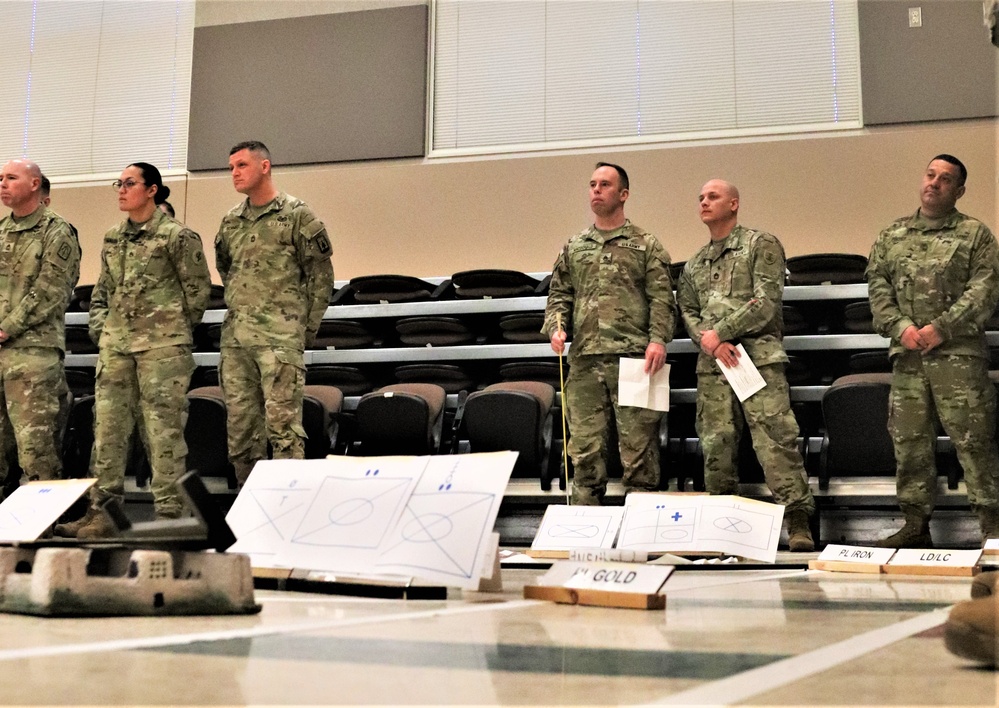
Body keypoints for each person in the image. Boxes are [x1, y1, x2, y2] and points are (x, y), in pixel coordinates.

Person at [56, 163, 210, 538]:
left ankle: (171, 517)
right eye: (119, 184)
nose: (121, 190)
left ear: (152, 190)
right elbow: (103, 291)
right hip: (117, 348)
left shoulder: (178, 236)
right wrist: (103, 330)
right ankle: (103, 515)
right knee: (106, 432)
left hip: (162, 351)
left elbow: (198, 293)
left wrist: (170, 332)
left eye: (129, 184)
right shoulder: (113, 237)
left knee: (163, 435)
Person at [866, 154, 999, 548]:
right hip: (908, 359)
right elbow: (878, 288)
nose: (934, 183)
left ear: (958, 191)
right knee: (909, 444)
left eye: (945, 179)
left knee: (974, 441)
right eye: (930, 174)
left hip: (959, 358)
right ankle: (914, 525)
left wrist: (942, 328)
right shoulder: (892, 236)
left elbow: (985, 288)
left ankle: (992, 526)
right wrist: (900, 327)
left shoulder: (975, 234)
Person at [676, 179, 816, 551]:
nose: (704, 202)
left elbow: (766, 301)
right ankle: (722, 527)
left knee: (775, 442)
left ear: (734, 203)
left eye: (713, 196)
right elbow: (688, 311)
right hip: (713, 366)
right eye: (701, 197)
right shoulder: (694, 263)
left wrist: (719, 332)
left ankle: (798, 521)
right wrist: (709, 341)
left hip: (756, 360)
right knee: (716, 445)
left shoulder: (760, 244)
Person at [542, 162, 674, 505]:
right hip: (585, 360)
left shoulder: (646, 244)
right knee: (584, 449)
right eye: (592, 184)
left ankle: (641, 527)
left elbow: (662, 298)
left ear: (623, 194)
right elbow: (560, 294)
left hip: (635, 359)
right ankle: (586, 524)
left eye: (604, 184)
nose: (596, 190)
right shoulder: (575, 246)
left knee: (639, 450)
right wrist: (557, 328)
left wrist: (658, 339)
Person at [215, 141, 334, 486]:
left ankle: (286, 502)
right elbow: (227, 270)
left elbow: (321, 276)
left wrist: (303, 330)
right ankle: (248, 505)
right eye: (232, 167)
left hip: (279, 339)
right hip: (237, 341)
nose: (235, 173)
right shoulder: (231, 221)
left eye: (242, 165)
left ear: (264, 166)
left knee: (283, 428)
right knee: (240, 430)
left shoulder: (297, 215)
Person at [0, 159, 80, 494]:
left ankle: (43, 533)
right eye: (1, 178)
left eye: (11, 177)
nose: (3, 183)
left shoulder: (56, 231)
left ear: (35, 184)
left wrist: (6, 327)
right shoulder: (1, 230)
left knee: (37, 452)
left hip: (33, 355)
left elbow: (51, 291)